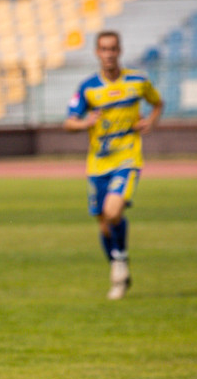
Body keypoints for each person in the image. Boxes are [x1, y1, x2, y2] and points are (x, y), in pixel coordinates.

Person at [65, 30, 163, 300]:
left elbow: (158, 103)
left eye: (113, 49)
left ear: (119, 51)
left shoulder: (138, 82)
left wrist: (151, 122)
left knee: (112, 210)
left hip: (127, 158)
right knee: (104, 223)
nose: (108, 54)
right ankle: (119, 265)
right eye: (104, 49)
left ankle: (119, 264)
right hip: (98, 164)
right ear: (97, 53)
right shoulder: (88, 88)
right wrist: (85, 123)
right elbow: (69, 121)